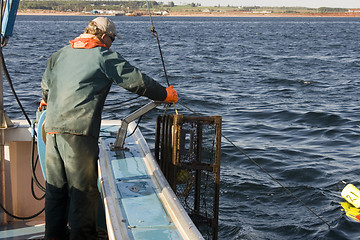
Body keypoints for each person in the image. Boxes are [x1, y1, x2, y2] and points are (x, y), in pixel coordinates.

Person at [41, 17, 178, 240]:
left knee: (56, 189)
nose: (112, 43)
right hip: (79, 133)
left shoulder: (59, 55)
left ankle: (53, 236)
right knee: (83, 191)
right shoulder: (102, 56)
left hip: (52, 129)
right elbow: (136, 81)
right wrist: (165, 94)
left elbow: (46, 89)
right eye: (112, 39)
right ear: (103, 36)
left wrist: (48, 101)